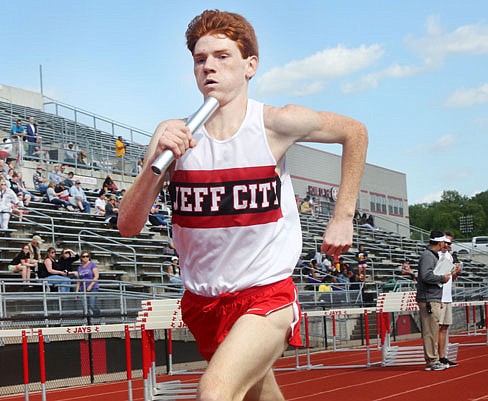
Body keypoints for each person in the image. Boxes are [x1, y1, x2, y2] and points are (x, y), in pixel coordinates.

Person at [117, 10, 368, 400]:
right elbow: (128, 225)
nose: (209, 68)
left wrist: (343, 214)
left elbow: (354, 131)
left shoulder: (275, 124)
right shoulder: (171, 136)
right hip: (203, 302)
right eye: (200, 60)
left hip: (265, 293)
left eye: (222, 56)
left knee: (215, 391)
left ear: (250, 65)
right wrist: (156, 164)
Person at [416, 231, 452, 371]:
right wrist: (442, 278)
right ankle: (432, 360)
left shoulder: (431, 255)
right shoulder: (428, 256)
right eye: (445, 242)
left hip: (432, 297)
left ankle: (434, 359)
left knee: (433, 329)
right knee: (430, 331)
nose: (446, 245)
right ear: (440, 242)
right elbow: (426, 276)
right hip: (428, 298)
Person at [437, 232, 462, 368]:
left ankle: (442, 357)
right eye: (445, 242)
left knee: (445, 327)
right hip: (438, 296)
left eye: (449, 243)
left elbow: (451, 278)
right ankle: (436, 357)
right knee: (438, 327)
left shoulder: (450, 256)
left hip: (447, 295)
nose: (447, 245)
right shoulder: (437, 255)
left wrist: (456, 272)